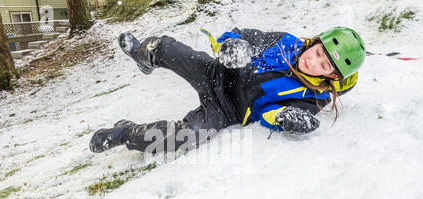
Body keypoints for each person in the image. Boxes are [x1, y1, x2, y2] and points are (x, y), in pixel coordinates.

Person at [89, 26, 366, 154]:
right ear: (315, 42)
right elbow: (243, 34)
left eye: (324, 64)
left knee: (183, 136)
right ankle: (142, 54)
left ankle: (124, 131)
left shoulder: (310, 98)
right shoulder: (286, 43)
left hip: (227, 110)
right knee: (165, 47)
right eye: (318, 51)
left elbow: (266, 112)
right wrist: (233, 45)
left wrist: (282, 118)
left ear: (332, 76)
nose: (313, 61)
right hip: (219, 73)